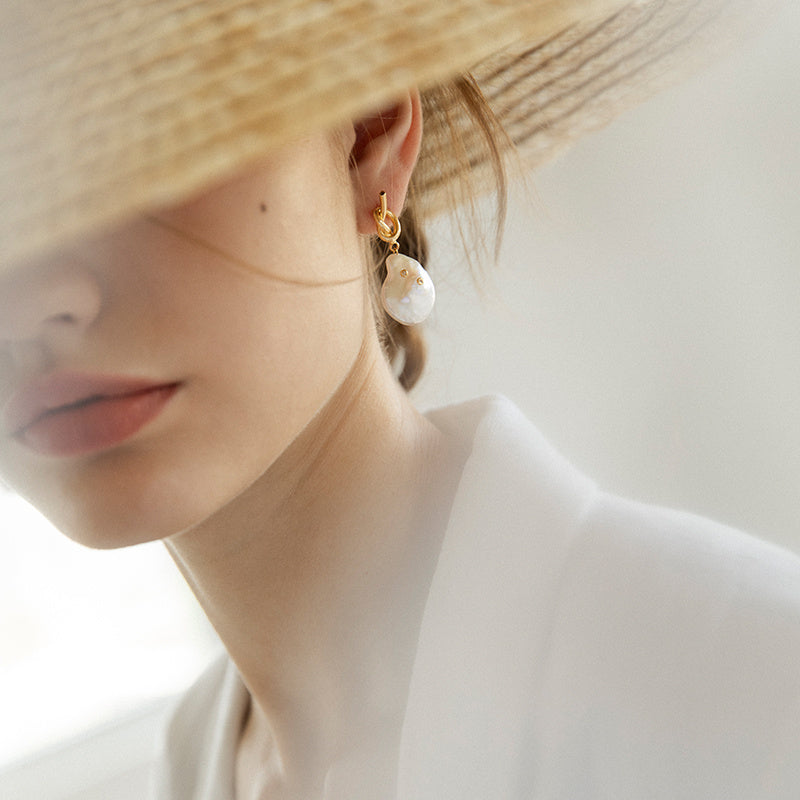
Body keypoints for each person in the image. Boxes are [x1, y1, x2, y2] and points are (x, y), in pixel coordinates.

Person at [1, 1, 799, 798]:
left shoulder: (747, 695)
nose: (28, 303)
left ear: (371, 135)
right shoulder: (196, 766)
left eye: (129, 164)